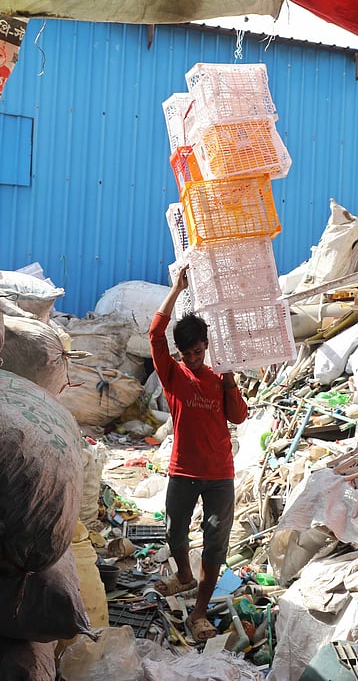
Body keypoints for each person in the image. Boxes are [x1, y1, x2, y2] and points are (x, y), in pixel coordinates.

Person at [149, 266, 248, 642]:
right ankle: (184, 575)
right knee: (174, 530)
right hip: (184, 471)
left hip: (220, 474)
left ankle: (200, 612)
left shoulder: (218, 378)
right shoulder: (172, 375)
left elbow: (238, 416)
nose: (192, 358)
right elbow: (155, 334)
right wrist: (176, 289)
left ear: (206, 348)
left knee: (215, 542)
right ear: (178, 352)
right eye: (187, 353)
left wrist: (231, 380)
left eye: (198, 352)